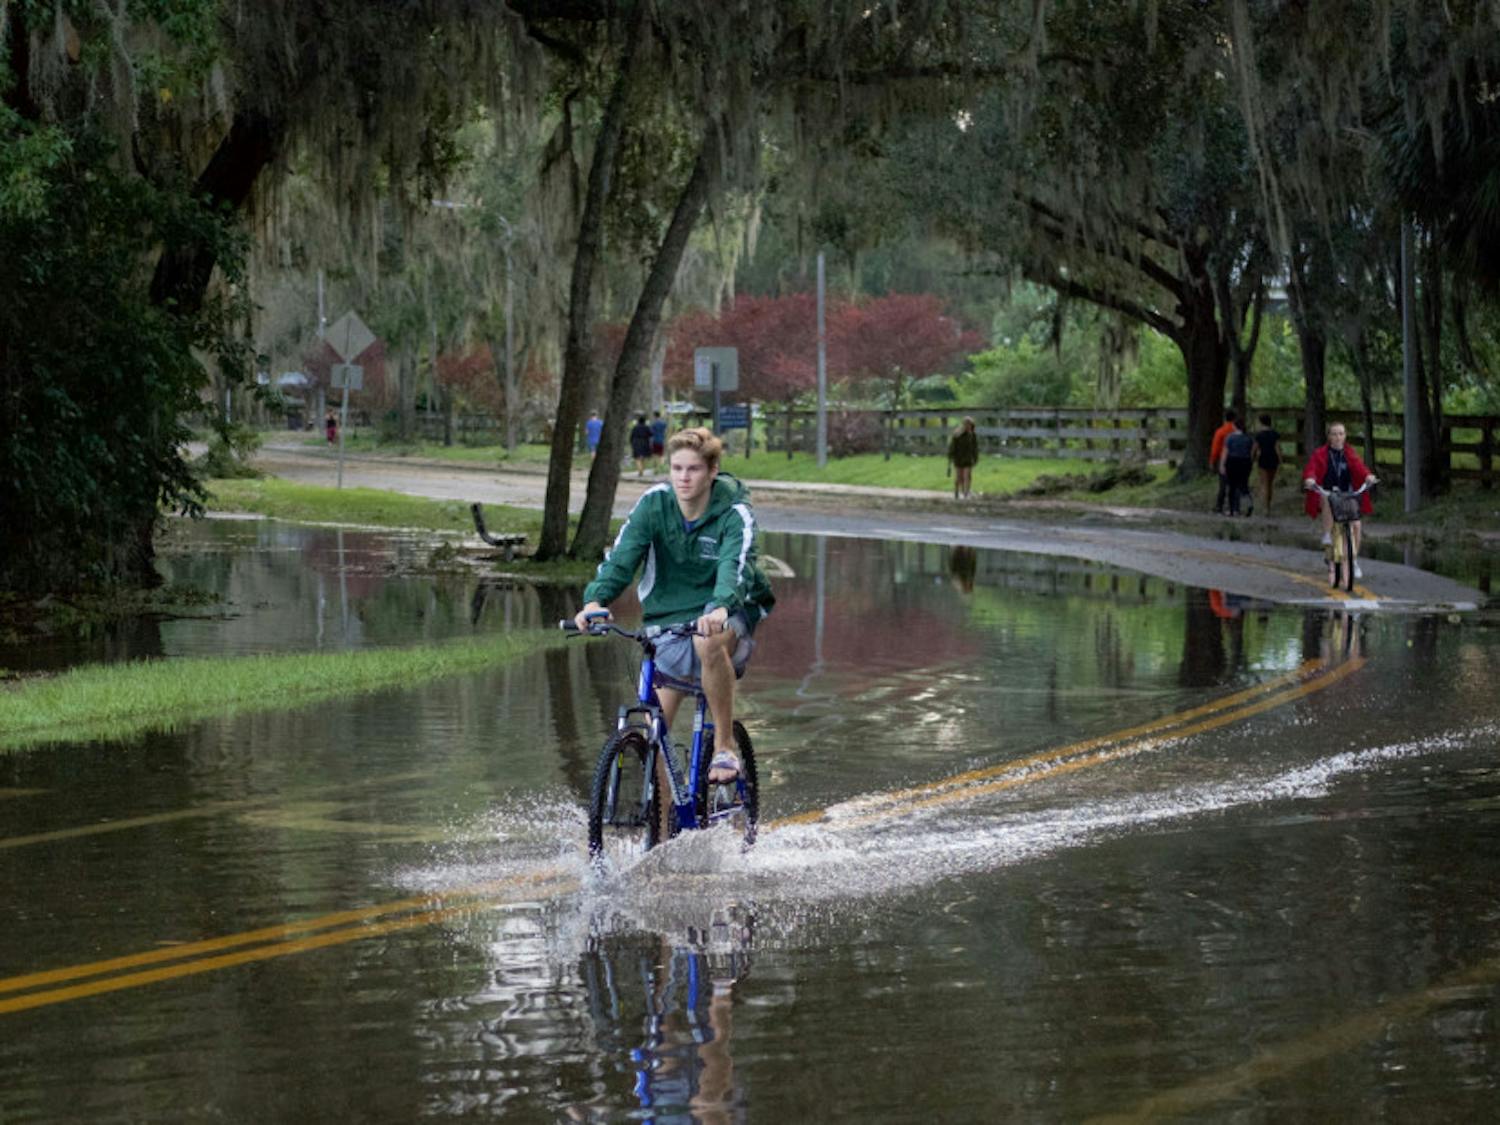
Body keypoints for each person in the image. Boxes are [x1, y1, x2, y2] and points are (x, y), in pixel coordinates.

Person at [574, 427, 775, 783]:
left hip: (731, 608)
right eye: (677, 468)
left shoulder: (734, 512)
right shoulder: (654, 505)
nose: (683, 477)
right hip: (669, 618)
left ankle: (725, 747)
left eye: (693, 469)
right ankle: (663, 831)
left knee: (707, 641)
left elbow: (735, 568)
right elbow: (622, 558)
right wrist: (594, 600)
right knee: (655, 739)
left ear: (712, 471)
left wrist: (719, 608)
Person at [1302, 422, 1378, 584]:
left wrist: (1368, 477)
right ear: (1328, 436)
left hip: (1348, 494)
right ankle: (1328, 537)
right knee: (1327, 500)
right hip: (1328, 492)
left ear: (1345, 436)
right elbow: (1311, 469)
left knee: (1356, 526)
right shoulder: (1320, 454)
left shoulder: (1349, 453)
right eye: (1334, 434)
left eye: (1341, 434)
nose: (1338, 437)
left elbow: (1359, 467)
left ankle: (1354, 559)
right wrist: (1310, 479)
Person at [1219, 416, 1254, 516]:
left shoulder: (1230, 437)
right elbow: (1251, 452)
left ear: (1234, 426)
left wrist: (1222, 465)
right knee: (1244, 486)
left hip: (1232, 462)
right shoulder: (1248, 438)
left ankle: (1232, 509)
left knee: (1232, 486)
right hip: (1245, 463)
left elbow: (1225, 452)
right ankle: (1249, 505)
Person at [1208, 408, 1238, 513]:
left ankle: (1219, 506)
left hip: (1223, 460)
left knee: (1223, 485)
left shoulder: (1220, 431)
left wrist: (1212, 461)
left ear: (1225, 418)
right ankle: (1234, 507)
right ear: (1234, 419)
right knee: (1234, 484)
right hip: (1236, 459)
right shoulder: (1237, 432)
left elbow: (1215, 448)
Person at [1252, 413, 1280, 514]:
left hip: (1263, 458)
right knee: (1270, 483)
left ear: (1261, 422)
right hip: (1273, 458)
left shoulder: (1259, 435)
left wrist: (1252, 458)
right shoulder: (1274, 434)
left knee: (1264, 483)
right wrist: (1280, 460)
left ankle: (1265, 507)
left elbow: (1255, 448)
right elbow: (1277, 448)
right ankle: (1268, 504)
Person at [947, 417, 979, 499]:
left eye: (970, 425)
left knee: (967, 476)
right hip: (958, 458)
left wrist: (975, 457)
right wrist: (951, 456)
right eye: (967, 424)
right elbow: (952, 447)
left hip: (968, 459)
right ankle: (957, 492)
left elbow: (975, 447)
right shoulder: (957, 435)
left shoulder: (972, 435)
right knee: (959, 477)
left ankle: (966, 493)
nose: (968, 427)